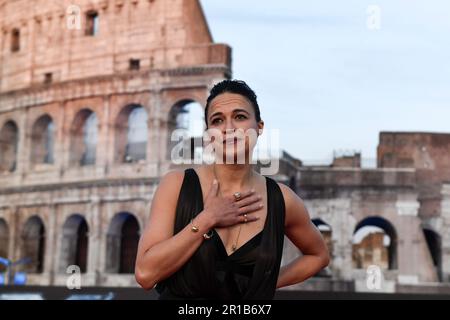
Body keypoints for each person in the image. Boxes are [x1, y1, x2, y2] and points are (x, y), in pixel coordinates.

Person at [135, 80, 330, 299]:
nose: (229, 129)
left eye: (240, 117)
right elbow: (145, 273)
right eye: (218, 120)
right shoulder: (177, 185)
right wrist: (207, 219)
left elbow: (318, 255)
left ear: (259, 127)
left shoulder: (281, 199)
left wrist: (264, 283)